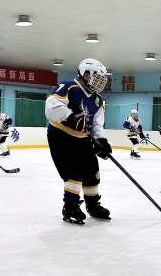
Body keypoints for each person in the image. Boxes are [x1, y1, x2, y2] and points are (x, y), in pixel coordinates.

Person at [45, 57, 112, 224]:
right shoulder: (70, 86)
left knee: (91, 170)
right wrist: (70, 116)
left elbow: (96, 124)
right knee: (74, 171)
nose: (99, 82)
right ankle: (70, 206)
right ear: (85, 74)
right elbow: (51, 106)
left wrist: (100, 141)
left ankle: (92, 204)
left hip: (82, 139)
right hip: (61, 135)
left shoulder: (98, 99)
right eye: (96, 78)